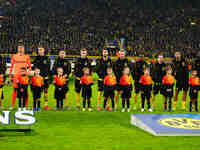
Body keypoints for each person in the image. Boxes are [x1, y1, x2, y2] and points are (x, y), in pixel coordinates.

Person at [9, 44, 31, 110]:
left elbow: (29, 66)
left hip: (24, 77)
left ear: (24, 49)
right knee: (15, 91)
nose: (20, 49)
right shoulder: (14, 56)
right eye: (19, 48)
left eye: (22, 48)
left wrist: (27, 73)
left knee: (26, 91)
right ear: (17, 49)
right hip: (16, 76)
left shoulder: (27, 56)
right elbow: (12, 66)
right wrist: (10, 75)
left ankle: (26, 106)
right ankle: (12, 105)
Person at [33, 45, 51, 110]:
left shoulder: (47, 58)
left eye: (41, 49)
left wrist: (47, 76)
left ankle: (46, 104)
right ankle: (38, 105)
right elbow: (34, 67)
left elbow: (48, 68)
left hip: (45, 78)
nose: (40, 51)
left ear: (43, 50)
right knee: (38, 92)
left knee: (46, 91)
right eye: (39, 50)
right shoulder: (36, 58)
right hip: (38, 79)